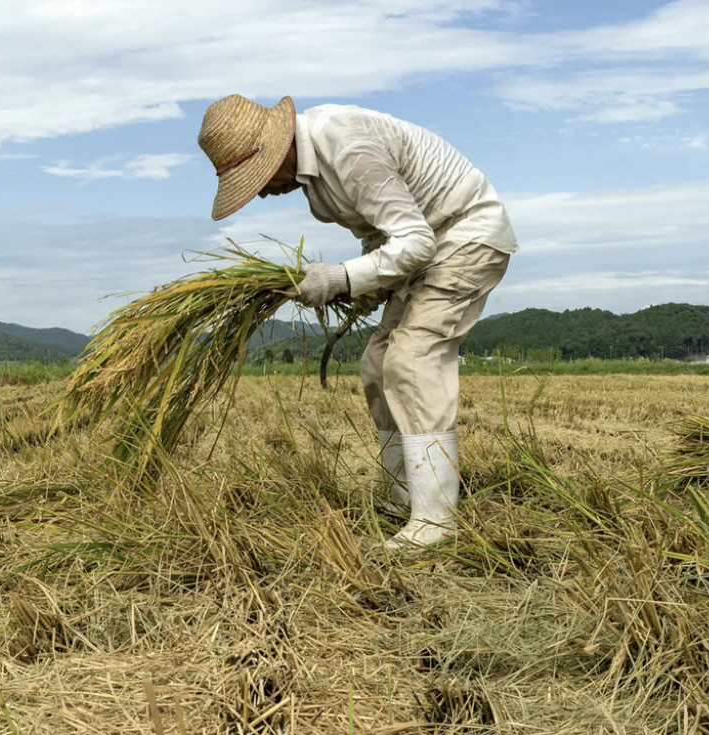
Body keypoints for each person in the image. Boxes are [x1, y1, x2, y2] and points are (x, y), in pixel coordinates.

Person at [196, 95, 517, 548]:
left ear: (276, 150)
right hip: (427, 249)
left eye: (259, 179)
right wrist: (364, 287)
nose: (262, 193)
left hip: (465, 237)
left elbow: (416, 241)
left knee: (412, 360)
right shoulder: (315, 184)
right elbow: (379, 234)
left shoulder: (347, 147)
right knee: (376, 367)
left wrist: (342, 277)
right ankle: (404, 499)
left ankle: (436, 521)